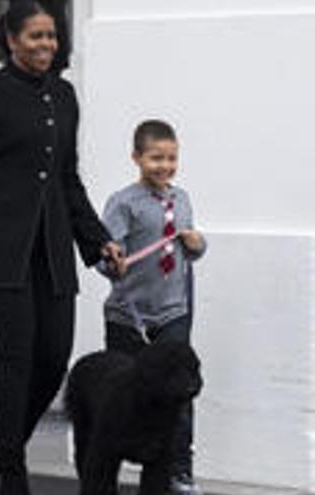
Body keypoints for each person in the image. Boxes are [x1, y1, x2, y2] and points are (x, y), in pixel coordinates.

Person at [0, 2, 122, 493]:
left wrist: (99, 242)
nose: (46, 46)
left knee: (55, 357)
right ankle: (13, 470)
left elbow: (68, 179)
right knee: (18, 355)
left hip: (53, 247)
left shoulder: (64, 95)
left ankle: (7, 443)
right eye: (35, 37)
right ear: (11, 40)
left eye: (52, 37)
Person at [98, 119, 207, 495]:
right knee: (125, 391)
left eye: (172, 158)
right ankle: (111, 461)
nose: (164, 166)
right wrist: (114, 262)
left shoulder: (182, 199)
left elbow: (188, 253)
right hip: (129, 317)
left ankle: (178, 470)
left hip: (173, 312)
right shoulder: (123, 202)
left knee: (179, 393)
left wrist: (196, 244)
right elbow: (103, 255)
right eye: (155, 158)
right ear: (136, 158)